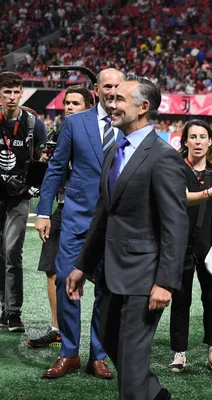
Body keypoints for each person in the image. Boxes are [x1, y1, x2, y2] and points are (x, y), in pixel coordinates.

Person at [67, 75, 188, 400]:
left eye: (120, 99)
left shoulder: (163, 156)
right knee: (110, 343)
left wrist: (165, 282)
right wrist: (82, 266)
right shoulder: (114, 151)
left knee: (131, 371)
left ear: (144, 107)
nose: (111, 103)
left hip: (144, 280)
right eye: (111, 97)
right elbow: (103, 215)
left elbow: (175, 225)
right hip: (109, 276)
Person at [35, 68, 124, 379]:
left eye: (118, 86)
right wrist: (43, 212)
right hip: (75, 218)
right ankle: (69, 352)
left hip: (114, 223)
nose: (113, 91)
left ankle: (98, 355)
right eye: (108, 86)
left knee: (107, 288)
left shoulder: (130, 125)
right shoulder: (74, 122)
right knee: (64, 280)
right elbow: (56, 169)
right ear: (97, 90)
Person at [27, 85, 95, 348]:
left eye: (75, 103)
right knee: (51, 268)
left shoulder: (95, 134)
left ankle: (96, 338)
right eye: (67, 102)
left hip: (89, 211)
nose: (68, 107)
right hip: (62, 209)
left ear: (89, 107)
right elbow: (51, 172)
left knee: (92, 271)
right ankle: (57, 328)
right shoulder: (58, 131)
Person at [168, 120, 212, 373]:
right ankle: (179, 352)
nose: (197, 141)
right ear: (184, 141)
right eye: (192, 137)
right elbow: (182, 197)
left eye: (202, 136)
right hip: (181, 242)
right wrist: (209, 193)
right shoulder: (176, 167)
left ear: (210, 141)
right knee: (181, 299)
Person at [0, 71, 47, 332]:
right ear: (0, 94)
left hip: (18, 199)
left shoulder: (33, 124)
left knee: (12, 251)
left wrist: (28, 184)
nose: (11, 96)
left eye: (15, 91)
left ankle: (13, 311)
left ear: (21, 93)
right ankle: (3, 307)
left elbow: (40, 162)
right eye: (6, 91)